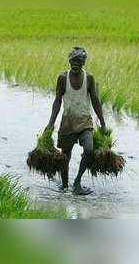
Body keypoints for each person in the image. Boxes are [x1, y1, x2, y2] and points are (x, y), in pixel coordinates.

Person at [45, 47, 106, 195]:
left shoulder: (89, 78)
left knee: (89, 150)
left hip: (85, 122)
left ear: (84, 62)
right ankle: (65, 186)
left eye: (79, 61)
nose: (75, 63)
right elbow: (57, 101)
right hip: (68, 123)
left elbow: (96, 101)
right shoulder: (63, 78)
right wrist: (51, 123)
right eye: (73, 60)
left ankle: (77, 182)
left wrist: (103, 123)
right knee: (65, 156)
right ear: (69, 61)